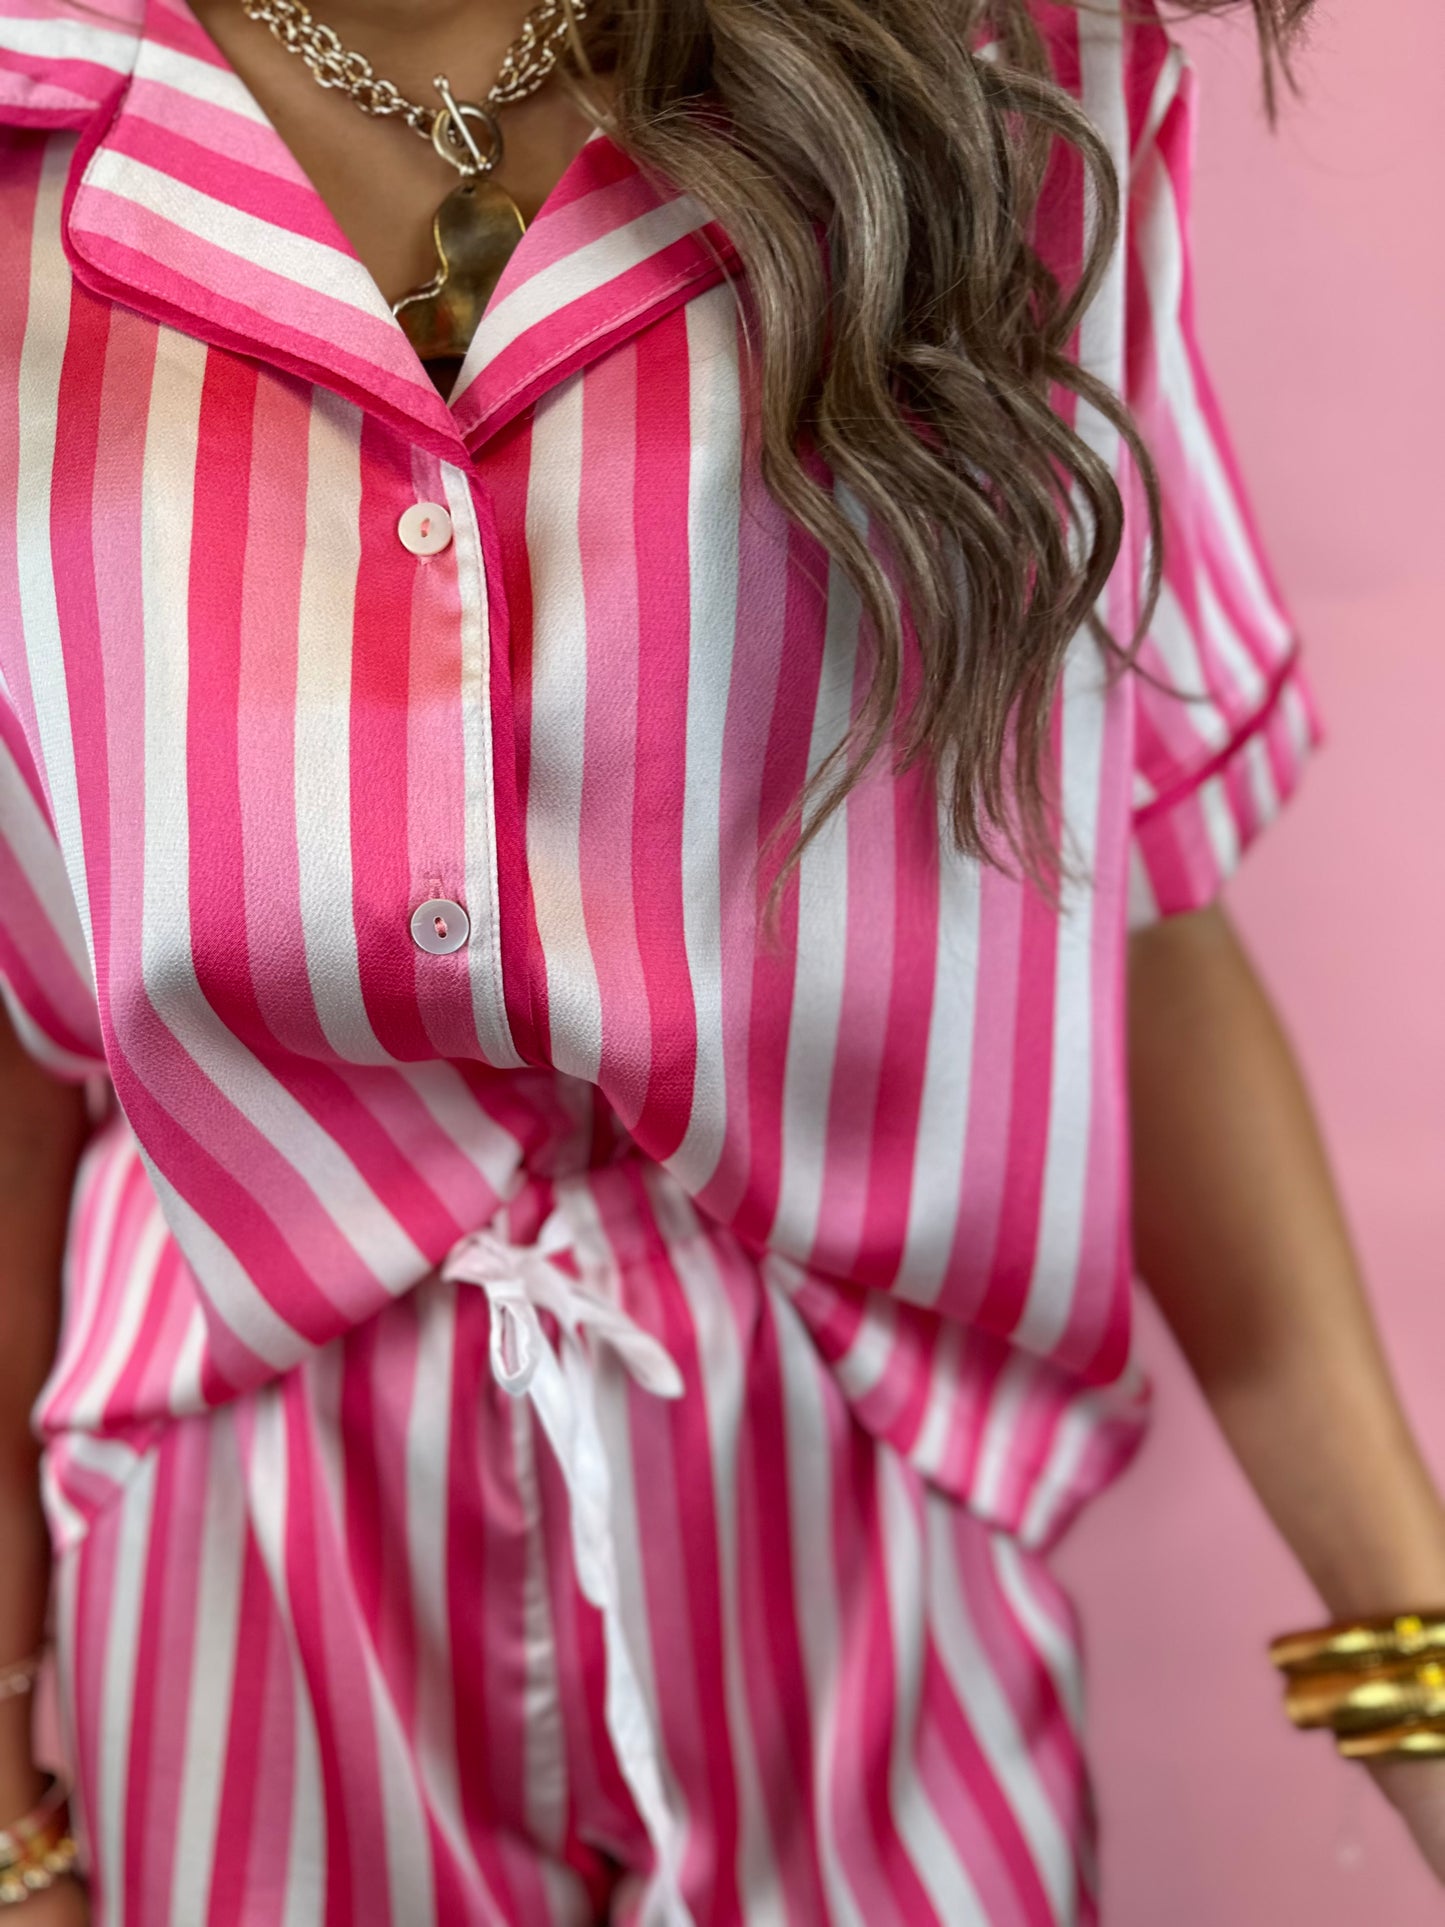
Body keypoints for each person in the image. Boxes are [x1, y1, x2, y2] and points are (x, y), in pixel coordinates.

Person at [1, 0, 1443, 1919]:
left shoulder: (1002, 97)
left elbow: (1124, 902)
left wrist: (1410, 1672)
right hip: (250, 1575)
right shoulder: (33, 155)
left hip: (858, 1545)